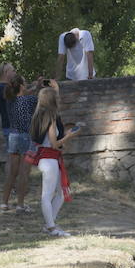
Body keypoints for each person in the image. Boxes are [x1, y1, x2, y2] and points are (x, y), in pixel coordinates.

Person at [29, 82, 81, 237]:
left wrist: (56, 89)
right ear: (52, 102)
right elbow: (54, 144)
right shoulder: (49, 120)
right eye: (56, 99)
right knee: (47, 195)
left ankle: (50, 224)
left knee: (61, 193)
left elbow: (53, 145)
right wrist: (69, 136)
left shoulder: (41, 116)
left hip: (51, 159)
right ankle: (51, 228)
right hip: (49, 160)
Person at [0, 63, 33, 212]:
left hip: (13, 136)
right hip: (25, 137)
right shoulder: (29, 101)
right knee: (24, 172)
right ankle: (20, 204)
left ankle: (4, 203)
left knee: (12, 171)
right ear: (22, 87)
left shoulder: (10, 100)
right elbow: (43, 103)